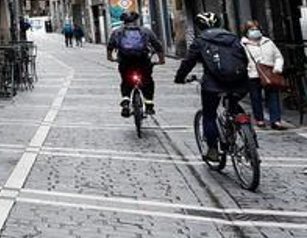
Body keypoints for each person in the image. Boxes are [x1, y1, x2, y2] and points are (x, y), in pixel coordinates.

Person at [173, 11, 253, 167]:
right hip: (239, 82)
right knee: (235, 106)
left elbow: (188, 62)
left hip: (213, 85)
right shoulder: (233, 38)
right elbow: (245, 58)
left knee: (209, 114)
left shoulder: (200, 41)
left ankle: (213, 149)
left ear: (200, 27)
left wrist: (180, 78)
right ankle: (249, 139)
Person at [107, 9, 164, 117]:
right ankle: (149, 105)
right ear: (137, 20)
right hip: (142, 61)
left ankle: (126, 101)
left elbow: (110, 46)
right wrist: (161, 60)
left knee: (126, 81)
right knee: (147, 81)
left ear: (124, 21)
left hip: (125, 61)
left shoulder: (117, 32)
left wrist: (110, 58)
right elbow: (157, 45)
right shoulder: (146, 31)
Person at [241, 20, 287, 130]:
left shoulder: (268, 42)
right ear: (246, 32)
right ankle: (259, 120)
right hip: (253, 75)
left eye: (257, 29)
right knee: (256, 98)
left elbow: (278, 56)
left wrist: (277, 68)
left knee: (273, 97)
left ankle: (276, 121)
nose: (255, 31)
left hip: (270, 74)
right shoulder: (242, 45)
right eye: (252, 30)